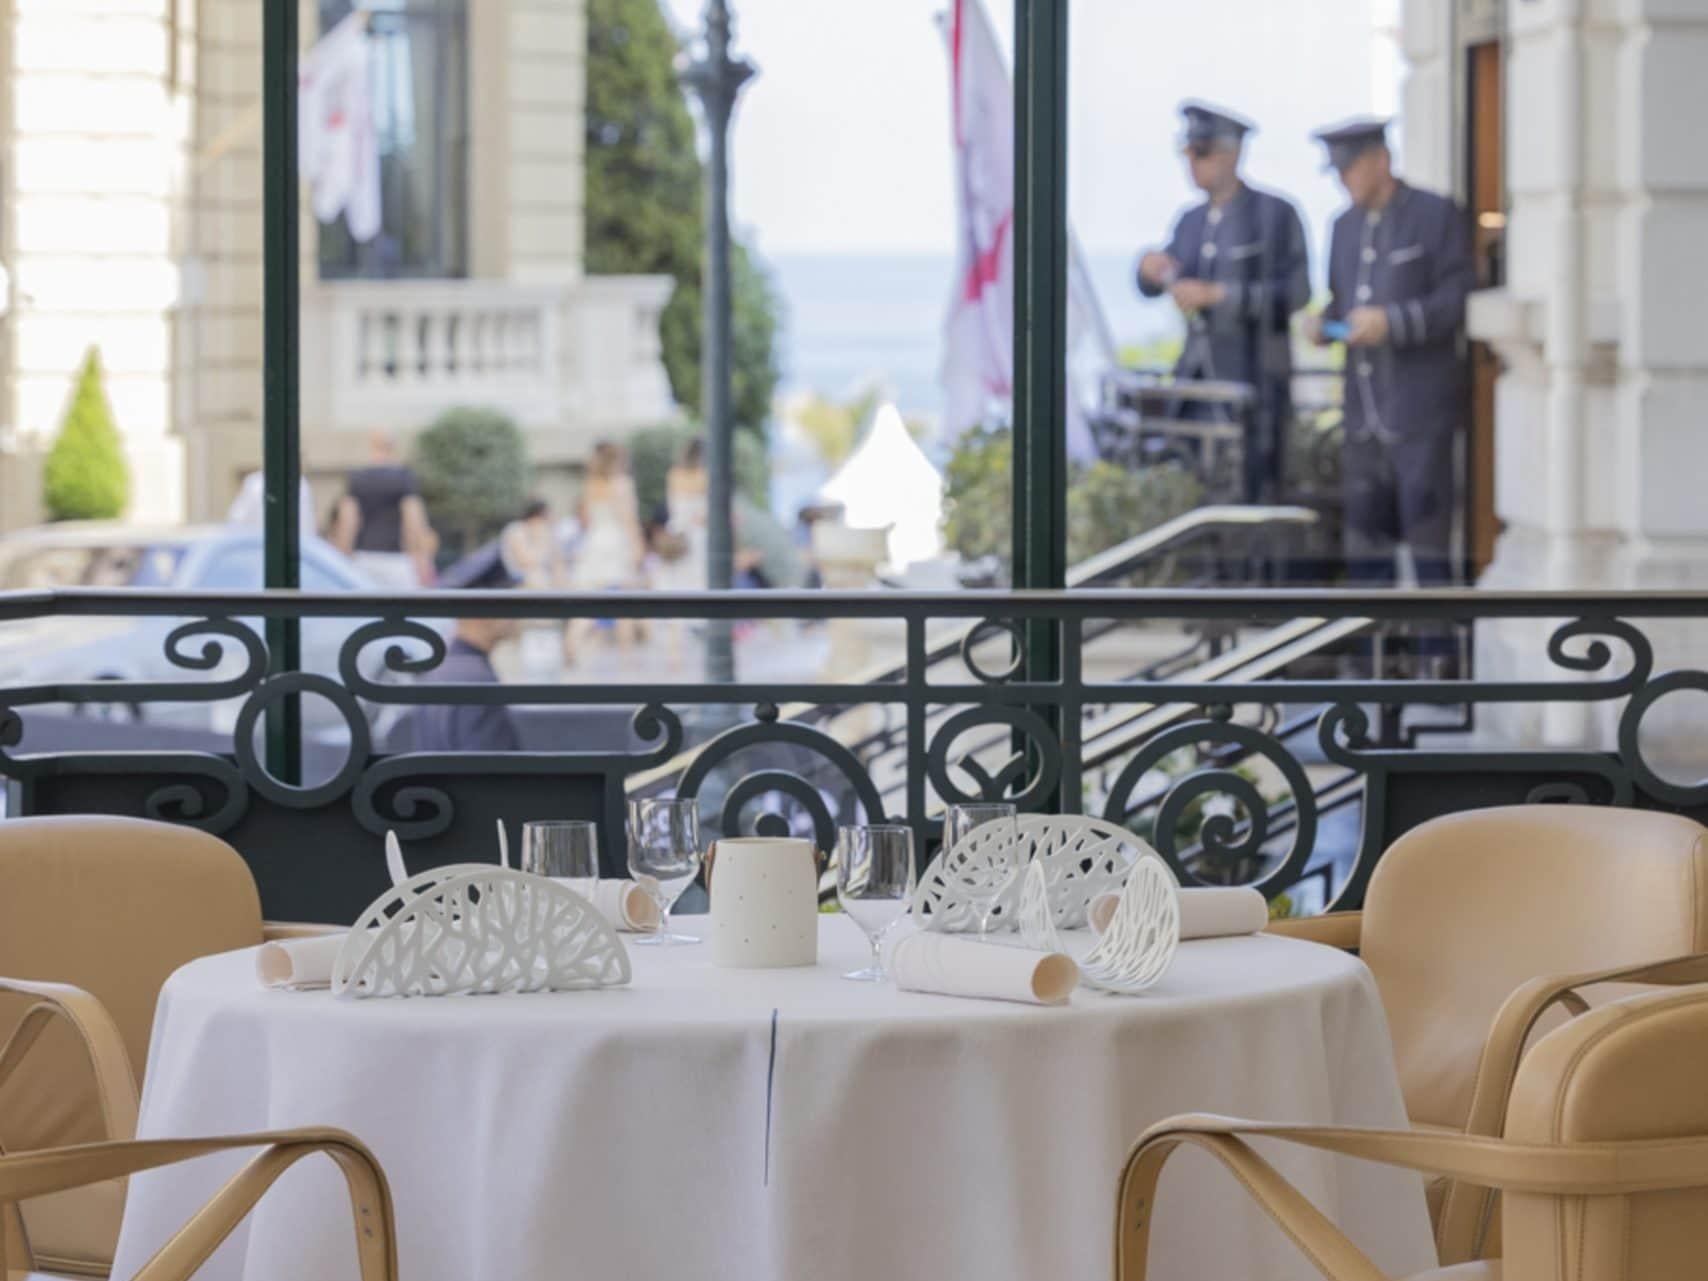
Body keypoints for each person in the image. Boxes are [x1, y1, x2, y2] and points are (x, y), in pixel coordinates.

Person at [1305, 118, 1473, 586]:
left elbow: (1457, 297)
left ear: (1381, 160)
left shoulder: (1435, 214)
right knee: (1366, 554)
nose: (1344, 181)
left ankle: (1437, 659)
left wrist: (1393, 323)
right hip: (1363, 419)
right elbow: (1342, 300)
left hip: (1420, 416)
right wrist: (1324, 325)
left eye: (1351, 169)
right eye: (1338, 172)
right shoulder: (1342, 227)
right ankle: (1372, 658)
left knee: (1430, 552)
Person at [1136, 101, 1311, 504]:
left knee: (1257, 501)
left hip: (1255, 388)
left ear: (1230, 153)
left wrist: (1220, 296)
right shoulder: (1190, 221)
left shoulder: (1274, 214)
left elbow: (1297, 293)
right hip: (1197, 389)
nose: (1192, 164)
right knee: (1195, 496)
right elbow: (1159, 281)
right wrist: (1150, 269)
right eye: (1187, 153)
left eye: (1201, 152)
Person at [410, 540, 522, 753]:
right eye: (508, 601)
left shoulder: (446, 667)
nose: (516, 613)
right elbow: (497, 773)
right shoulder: (477, 681)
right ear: (486, 612)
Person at [568, 441, 645, 656]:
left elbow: (587, 520)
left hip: (593, 543)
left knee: (588, 602)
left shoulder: (591, 485)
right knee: (625, 605)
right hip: (617, 543)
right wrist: (638, 546)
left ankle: (572, 646)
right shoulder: (622, 484)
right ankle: (627, 660)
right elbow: (627, 518)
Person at [333, 430, 437, 589]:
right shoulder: (403, 478)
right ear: (393, 447)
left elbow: (347, 524)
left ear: (372, 446)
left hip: (364, 559)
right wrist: (421, 561)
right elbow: (413, 523)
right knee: (404, 611)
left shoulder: (357, 478)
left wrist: (342, 559)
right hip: (396, 561)